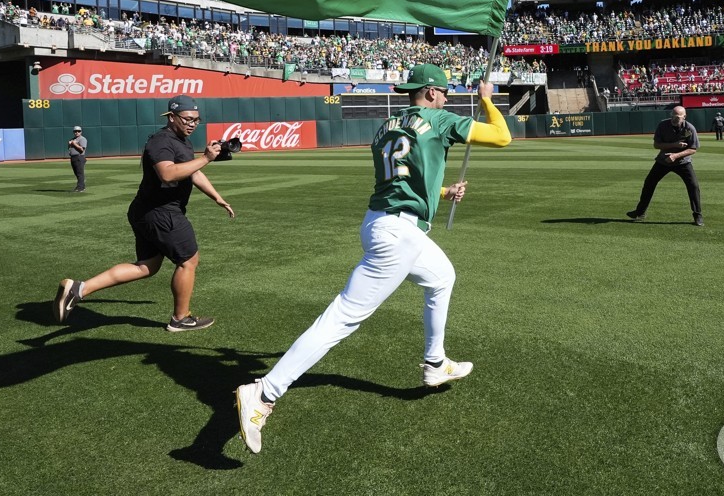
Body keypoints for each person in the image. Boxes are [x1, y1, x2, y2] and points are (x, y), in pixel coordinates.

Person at [235, 63, 512, 454]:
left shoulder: (387, 126)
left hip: (386, 223)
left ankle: (435, 364)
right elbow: (502, 137)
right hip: (398, 234)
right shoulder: (441, 118)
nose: (448, 98)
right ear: (431, 93)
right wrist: (486, 100)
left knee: (442, 277)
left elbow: (401, 179)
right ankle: (264, 392)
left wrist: (444, 191)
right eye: (445, 92)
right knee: (341, 319)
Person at [53, 95, 235, 332]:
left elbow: (194, 173)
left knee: (146, 266)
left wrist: (218, 198)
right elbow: (168, 174)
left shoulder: (183, 141)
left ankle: (78, 289)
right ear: (171, 117)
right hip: (161, 212)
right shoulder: (161, 141)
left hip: (147, 210)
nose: (192, 124)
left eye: (196, 120)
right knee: (188, 260)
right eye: (187, 119)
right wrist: (206, 158)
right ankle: (181, 319)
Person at [626, 105, 703, 226]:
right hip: (663, 161)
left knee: (693, 186)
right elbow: (656, 145)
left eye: (677, 116)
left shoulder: (690, 128)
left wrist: (676, 155)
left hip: (683, 162)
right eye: (673, 115)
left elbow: (693, 149)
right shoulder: (663, 125)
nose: (674, 118)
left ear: (684, 116)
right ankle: (640, 212)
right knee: (649, 183)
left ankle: (697, 215)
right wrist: (675, 145)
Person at [67, 126, 87, 192]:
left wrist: (74, 144)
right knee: (77, 173)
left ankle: (80, 188)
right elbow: (69, 149)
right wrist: (69, 144)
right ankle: (82, 186)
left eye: (78, 131)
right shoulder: (73, 139)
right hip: (73, 157)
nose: (77, 132)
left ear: (81, 132)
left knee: (80, 173)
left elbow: (82, 150)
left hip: (79, 157)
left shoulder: (82, 139)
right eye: (75, 131)